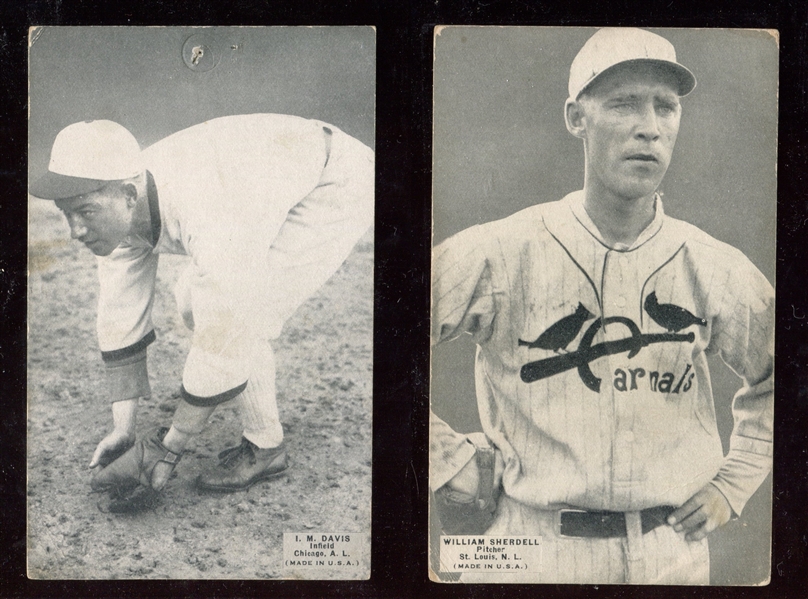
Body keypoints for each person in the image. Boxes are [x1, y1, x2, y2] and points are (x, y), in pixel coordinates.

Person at [430, 28, 774, 584]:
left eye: (666, 107)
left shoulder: (713, 265)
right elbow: (382, 335)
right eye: (623, 104)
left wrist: (733, 484)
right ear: (576, 117)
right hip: (531, 547)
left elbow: (787, 376)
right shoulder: (501, 250)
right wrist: (445, 459)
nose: (649, 127)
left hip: (672, 554)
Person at [30, 114, 374, 512]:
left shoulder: (208, 207)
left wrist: (166, 449)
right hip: (268, 171)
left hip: (333, 182)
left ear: (128, 195)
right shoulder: (120, 199)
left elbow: (226, 325)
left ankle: (266, 446)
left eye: (85, 212)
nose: (76, 231)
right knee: (198, 301)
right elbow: (119, 310)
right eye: (66, 212)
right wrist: (124, 429)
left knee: (247, 313)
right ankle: (265, 440)